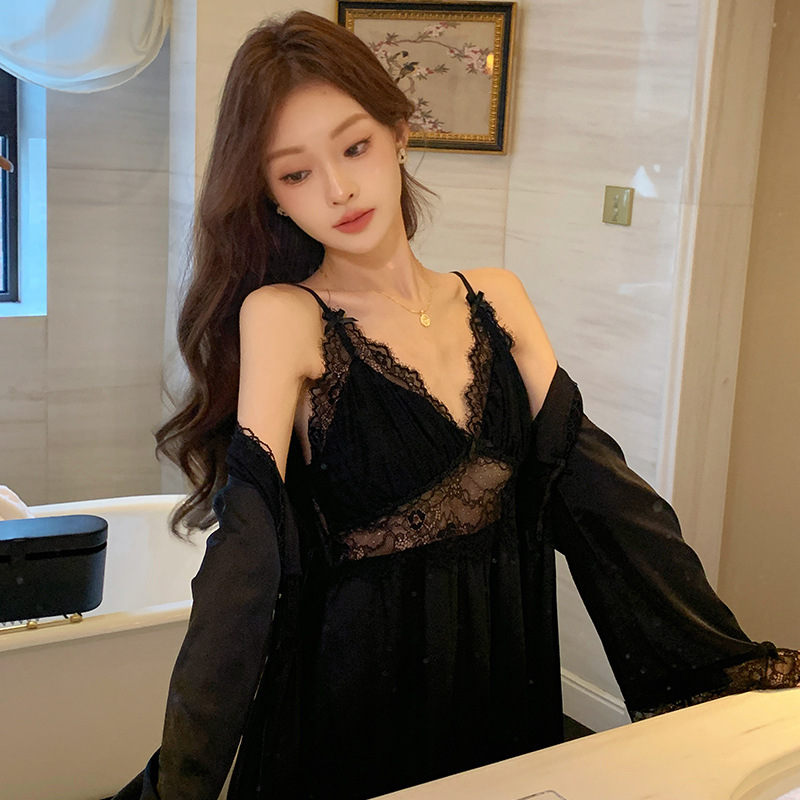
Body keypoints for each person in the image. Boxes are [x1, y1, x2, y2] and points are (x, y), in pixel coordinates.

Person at [113, 10, 800, 800]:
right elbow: (247, 551)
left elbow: (600, 497)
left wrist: (722, 658)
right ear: (271, 196)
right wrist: (183, 780)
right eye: (295, 173)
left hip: (502, 670)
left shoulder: (499, 298)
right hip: (355, 700)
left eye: (354, 147)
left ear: (400, 132)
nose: (338, 189)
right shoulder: (284, 316)